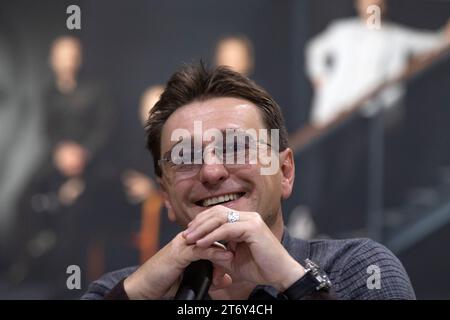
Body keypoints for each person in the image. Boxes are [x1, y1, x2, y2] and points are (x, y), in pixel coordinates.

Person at [82, 63, 415, 300]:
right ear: (166, 195)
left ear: (285, 172)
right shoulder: (122, 291)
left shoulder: (358, 270)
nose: (212, 172)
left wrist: (294, 283)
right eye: (185, 157)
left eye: (237, 147)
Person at [306, 0, 450, 127]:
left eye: (377, 4)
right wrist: (319, 77)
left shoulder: (395, 36)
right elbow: (315, 50)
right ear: (359, 4)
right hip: (334, 113)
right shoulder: (343, 30)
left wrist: (445, 37)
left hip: (370, 115)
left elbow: (435, 43)